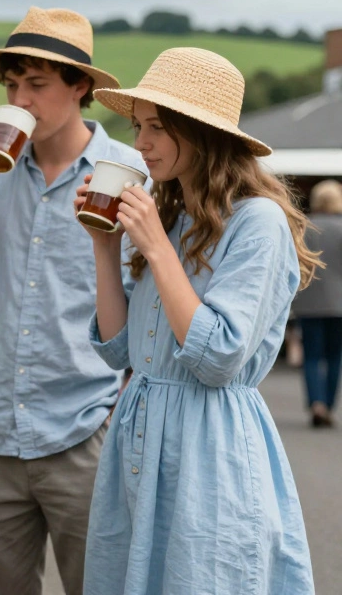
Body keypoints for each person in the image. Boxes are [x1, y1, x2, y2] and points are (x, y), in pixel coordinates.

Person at [0, 7, 144, 595]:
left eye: (37, 85)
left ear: (81, 88)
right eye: (12, 85)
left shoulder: (130, 174)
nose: (20, 98)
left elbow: (151, 299)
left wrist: (120, 408)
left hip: (87, 428)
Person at [78, 48, 317, 594]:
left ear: (203, 133)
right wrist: (103, 244)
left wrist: (158, 249)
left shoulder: (258, 222)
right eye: (138, 126)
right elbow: (120, 349)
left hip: (209, 441)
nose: (140, 143)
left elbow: (217, 358)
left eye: (157, 127)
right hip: (138, 437)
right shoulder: (172, 215)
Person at [296, 179, 342, 426]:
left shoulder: (304, 227)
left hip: (309, 302)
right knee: (335, 356)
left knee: (312, 355)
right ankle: (329, 405)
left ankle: (316, 404)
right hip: (339, 305)